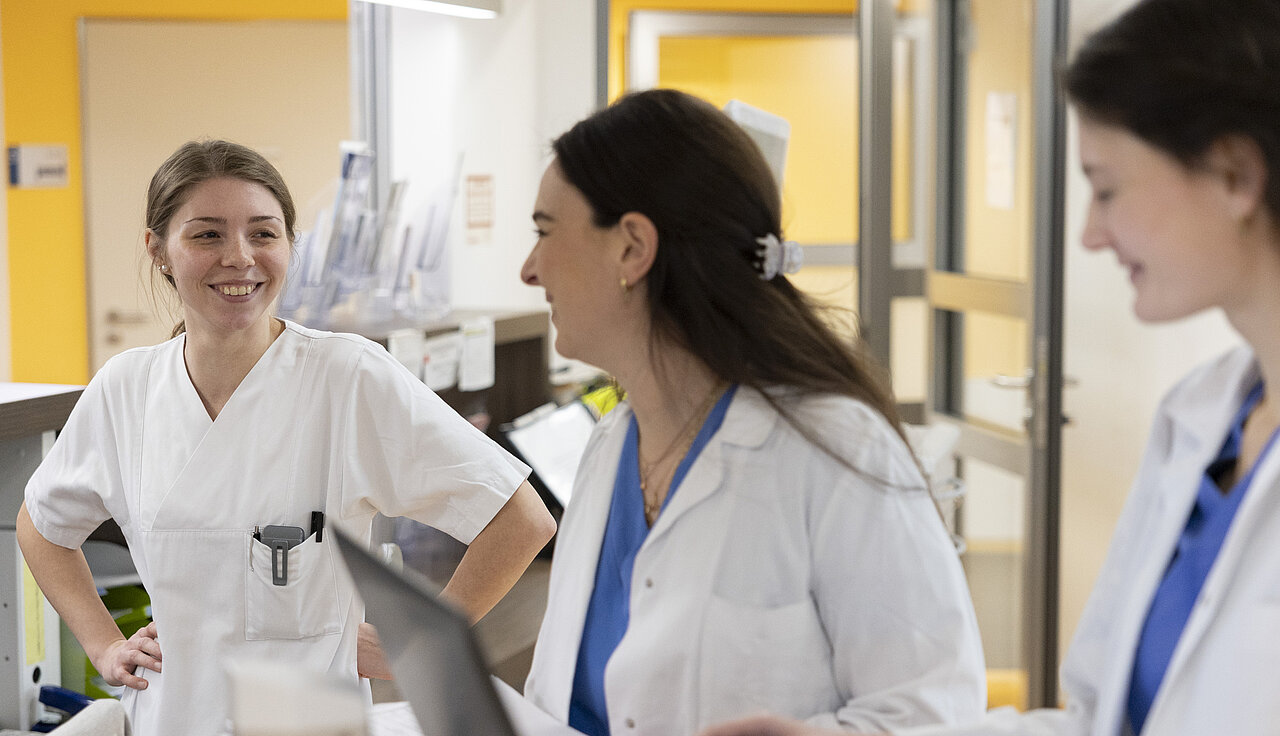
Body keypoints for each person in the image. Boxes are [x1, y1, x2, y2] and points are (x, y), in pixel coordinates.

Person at [699, 0, 1280, 734]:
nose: (1090, 234)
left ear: (1234, 174)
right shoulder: (1202, 421)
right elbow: (1100, 723)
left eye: (1106, 189)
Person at [17, 139, 557, 736]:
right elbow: (41, 524)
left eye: (263, 234)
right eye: (207, 235)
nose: (239, 257)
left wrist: (415, 645)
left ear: (289, 246)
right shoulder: (127, 388)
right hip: (172, 716)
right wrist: (103, 643)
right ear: (158, 250)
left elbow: (520, 519)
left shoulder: (347, 376)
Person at [518, 88, 986, 735]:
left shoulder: (833, 447)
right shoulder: (611, 445)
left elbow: (936, 713)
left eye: (544, 232)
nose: (529, 269)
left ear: (632, 248)